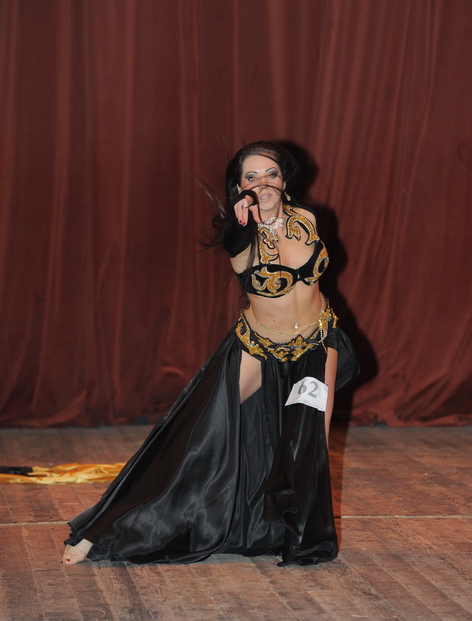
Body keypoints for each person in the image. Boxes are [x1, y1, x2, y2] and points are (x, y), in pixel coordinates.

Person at [62, 141, 357, 566]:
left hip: (317, 344)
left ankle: (298, 539)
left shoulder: (307, 218)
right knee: (195, 438)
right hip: (258, 347)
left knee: (310, 447)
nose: (262, 183)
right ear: (239, 189)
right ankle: (104, 529)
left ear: (284, 180)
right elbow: (237, 236)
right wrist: (243, 218)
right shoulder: (241, 237)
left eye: (270, 174)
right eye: (251, 177)